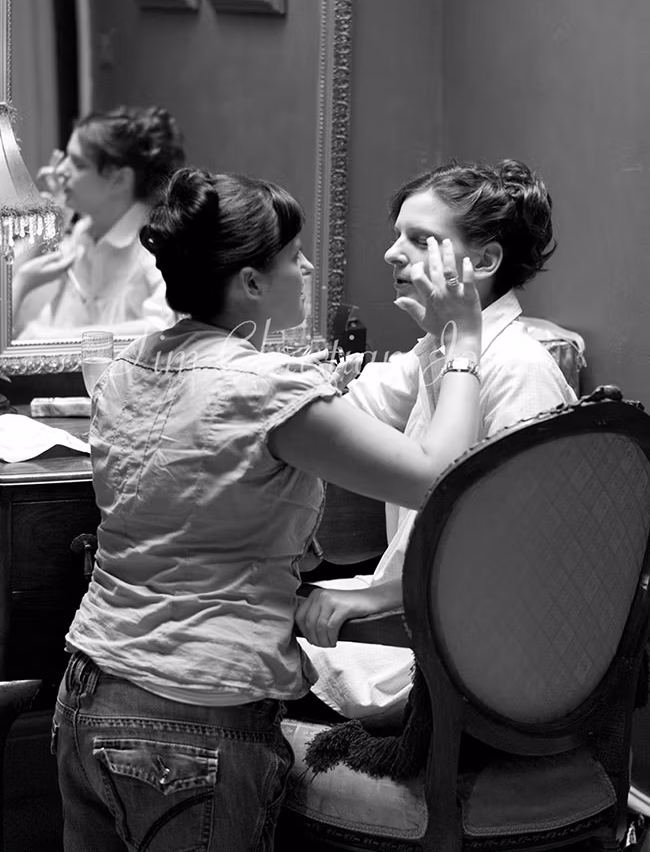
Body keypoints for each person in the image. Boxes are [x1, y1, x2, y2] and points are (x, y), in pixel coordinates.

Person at [53, 166, 484, 852]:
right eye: (294, 256)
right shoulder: (266, 389)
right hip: (196, 711)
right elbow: (440, 477)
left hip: (89, 694)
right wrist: (463, 344)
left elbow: (208, 491)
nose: (308, 266)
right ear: (251, 283)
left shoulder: (132, 364)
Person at [297, 157, 578, 724]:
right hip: (431, 609)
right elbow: (355, 410)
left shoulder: (518, 367)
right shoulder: (442, 351)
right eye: (397, 235)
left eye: (421, 239)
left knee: (247, 656)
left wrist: (379, 597)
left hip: (482, 656)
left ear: (485, 261)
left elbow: (520, 553)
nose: (392, 253)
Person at [13, 104, 185, 338]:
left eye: (78, 163)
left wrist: (46, 338)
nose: (60, 170)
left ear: (120, 179)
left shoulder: (153, 243)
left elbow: (163, 328)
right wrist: (51, 222)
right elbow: (15, 306)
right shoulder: (82, 233)